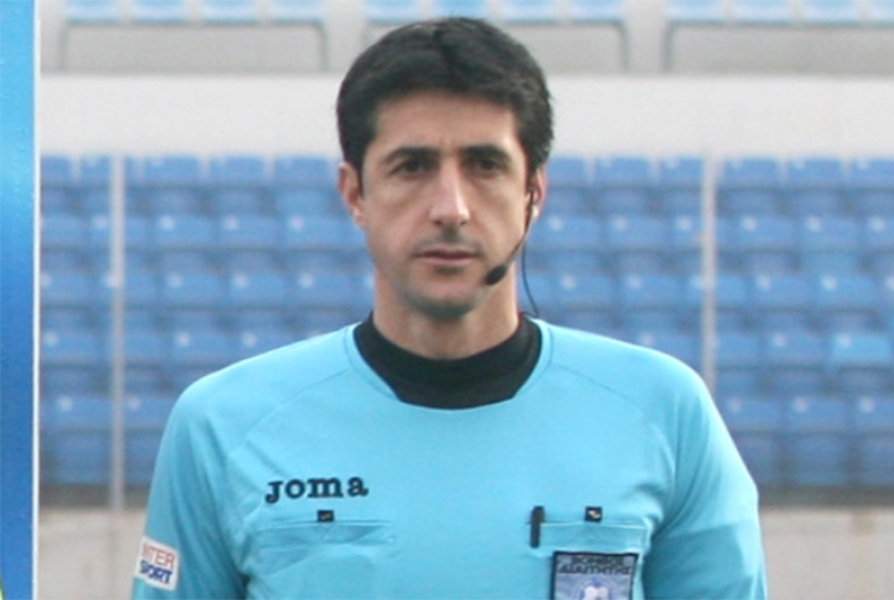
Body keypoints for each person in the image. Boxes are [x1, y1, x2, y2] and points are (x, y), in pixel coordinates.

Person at [133, 17, 767, 599]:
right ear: (355, 194)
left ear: (533, 193)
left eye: (485, 165)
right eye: (412, 166)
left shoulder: (664, 412)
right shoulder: (224, 424)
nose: (451, 208)